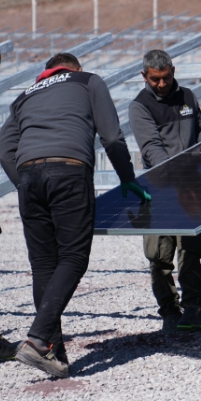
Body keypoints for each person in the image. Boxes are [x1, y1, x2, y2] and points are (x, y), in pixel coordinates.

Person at [0, 52, 149, 378]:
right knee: (73, 257)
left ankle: (54, 355)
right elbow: (110, 136)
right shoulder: (88, 80)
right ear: (75, 69)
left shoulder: (25, 95)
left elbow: (4, 146)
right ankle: (38, 340)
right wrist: (127, 177)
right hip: (68, 171)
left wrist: (23, 183)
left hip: (28, 176)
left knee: (43, 264)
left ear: (48, 71)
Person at [128, 49, 201, 332]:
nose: (161, 84)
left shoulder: (188, 97)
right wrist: (178, 175)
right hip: (160, 188)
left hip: (193, 184)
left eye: (166, 78)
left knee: (192, 249)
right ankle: (170, 313)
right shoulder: (140, 106)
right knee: (160, 255)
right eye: (155, 79)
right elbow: (152, 149)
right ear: (144, 76)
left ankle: (195, 308)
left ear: (173, 70)